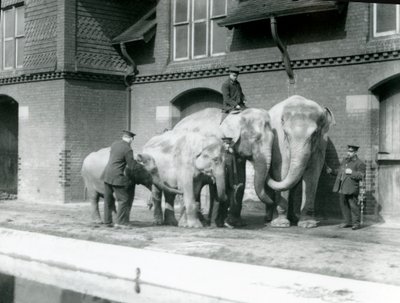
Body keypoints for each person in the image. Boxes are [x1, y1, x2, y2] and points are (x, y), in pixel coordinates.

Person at [103, 130, 137, 228]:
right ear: (131, 139)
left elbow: (116, 158)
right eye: (132, 139)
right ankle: (121, 223)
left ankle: (107, 221)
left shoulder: (114, 144)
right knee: (124, 199)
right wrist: (138, 163)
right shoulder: (128, 149)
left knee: (108, 199)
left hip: (107, 174)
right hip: (117, 176)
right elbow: (131, 166)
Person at [327, 145, 366, 230]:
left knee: (353, 206)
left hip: (352, 188)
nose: (348, 153)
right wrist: (332, 171)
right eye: (348, 151)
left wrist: (351, 172)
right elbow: (340, 171)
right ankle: (348, 222)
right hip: (342, 187)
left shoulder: (360, 163)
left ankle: (356, 223)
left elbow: (361, 175)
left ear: (355, 152)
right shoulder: (345, 161)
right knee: (344, 205)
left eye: (351, 151)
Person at [217, 137, 244, 228]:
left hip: (230, 181)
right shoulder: (219, 155)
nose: (227, 146)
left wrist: (235, 182)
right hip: (221, 182)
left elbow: (235, 170)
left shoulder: (232, 155)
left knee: (231, 201)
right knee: (221, 201)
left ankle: (227, 221)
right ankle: (219, 220)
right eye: (225, 144)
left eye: (228, 144)